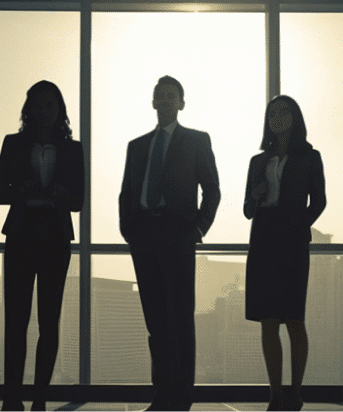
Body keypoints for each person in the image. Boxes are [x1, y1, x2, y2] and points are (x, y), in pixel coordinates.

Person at [118, 75, 220, 412]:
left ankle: (182, 398)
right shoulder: (137, 146)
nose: (164, 101)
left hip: (178, 236)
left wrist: (198, 229)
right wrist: (129, 230)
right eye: (159, 96)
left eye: (171, 96)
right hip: (144, 236)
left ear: (181, 103)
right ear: (152, 103)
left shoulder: (196, 140)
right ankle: (161, 395)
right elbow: (127, 193)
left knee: (180, 320)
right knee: (155, 322)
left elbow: (213, 190)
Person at [0, 80, 84, 412]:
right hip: (21, 233)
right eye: (38, 105)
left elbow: (79, 201)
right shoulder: (13, 143)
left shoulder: (73, 149)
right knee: (15, 321)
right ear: (28, 109)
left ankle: (40, 398)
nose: (44, 111)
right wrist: (24, 189)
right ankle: (12, 398)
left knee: (49, 320)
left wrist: (59, 193)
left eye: (51, 105)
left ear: (59, 110)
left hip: (55, 236)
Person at [244, 95, 325, 412]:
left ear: (295, 117)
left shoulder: (310, 156)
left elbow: (318, 201)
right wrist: (255, 195)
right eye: (272, 113)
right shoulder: (257, 161)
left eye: (283, 112)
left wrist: (300, 224)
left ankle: (296, 393)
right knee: (267, 321)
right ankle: (275, 393)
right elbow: (247, 210)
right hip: (263, 237)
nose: (277, 118)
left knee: (293, 318)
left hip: (291, 240)